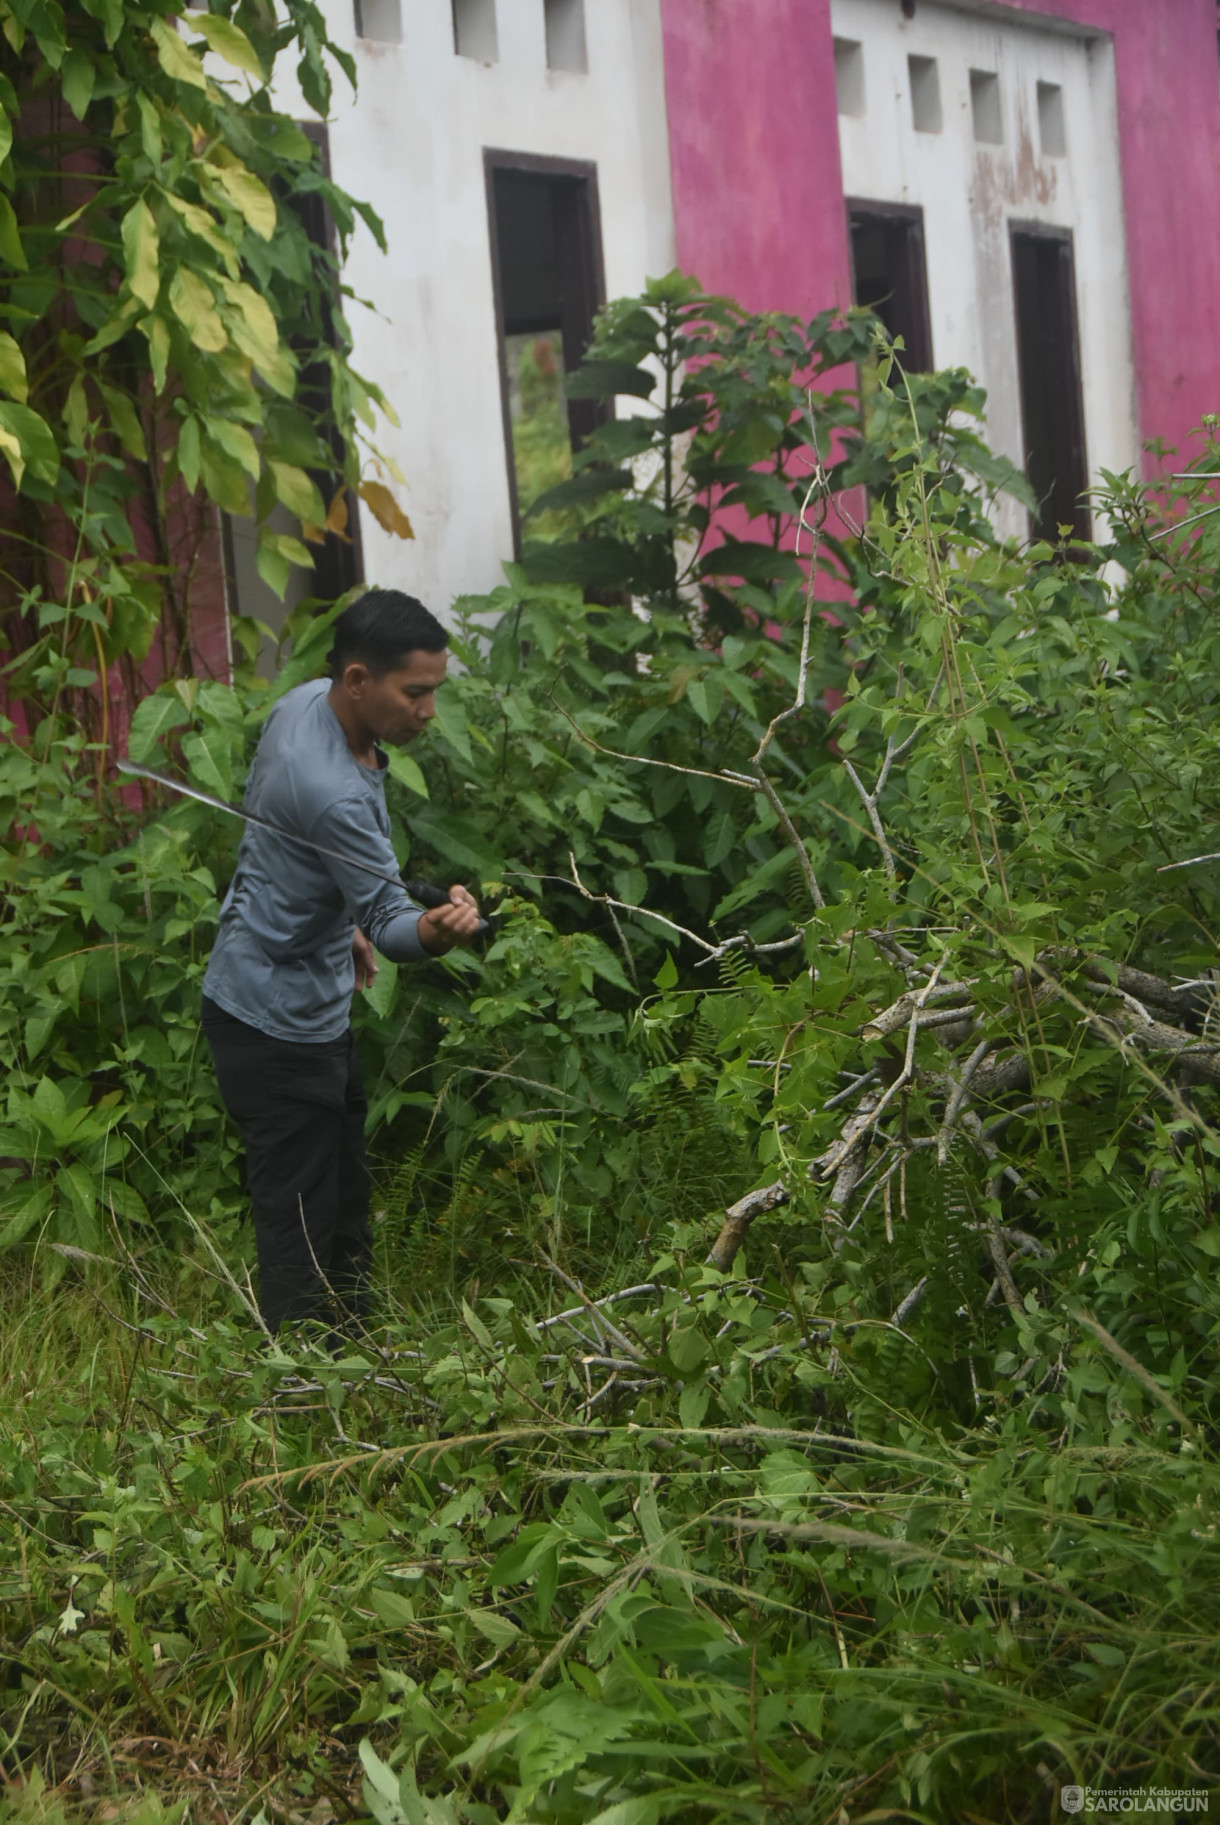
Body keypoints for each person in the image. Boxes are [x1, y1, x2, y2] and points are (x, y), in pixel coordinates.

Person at [201, 588, 482, 1335]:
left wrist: (338, 917)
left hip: (292, 993)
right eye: (415, 692)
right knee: (299, 1219)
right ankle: (299, 1380)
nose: (429, 711)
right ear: (358, 680)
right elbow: (392, 926)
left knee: (347, 1200)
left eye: (435, 690)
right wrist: (437, 933)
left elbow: (280, 844)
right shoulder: (332, 794)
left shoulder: (302, 703)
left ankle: (359, 1353)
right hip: (276, 1026)